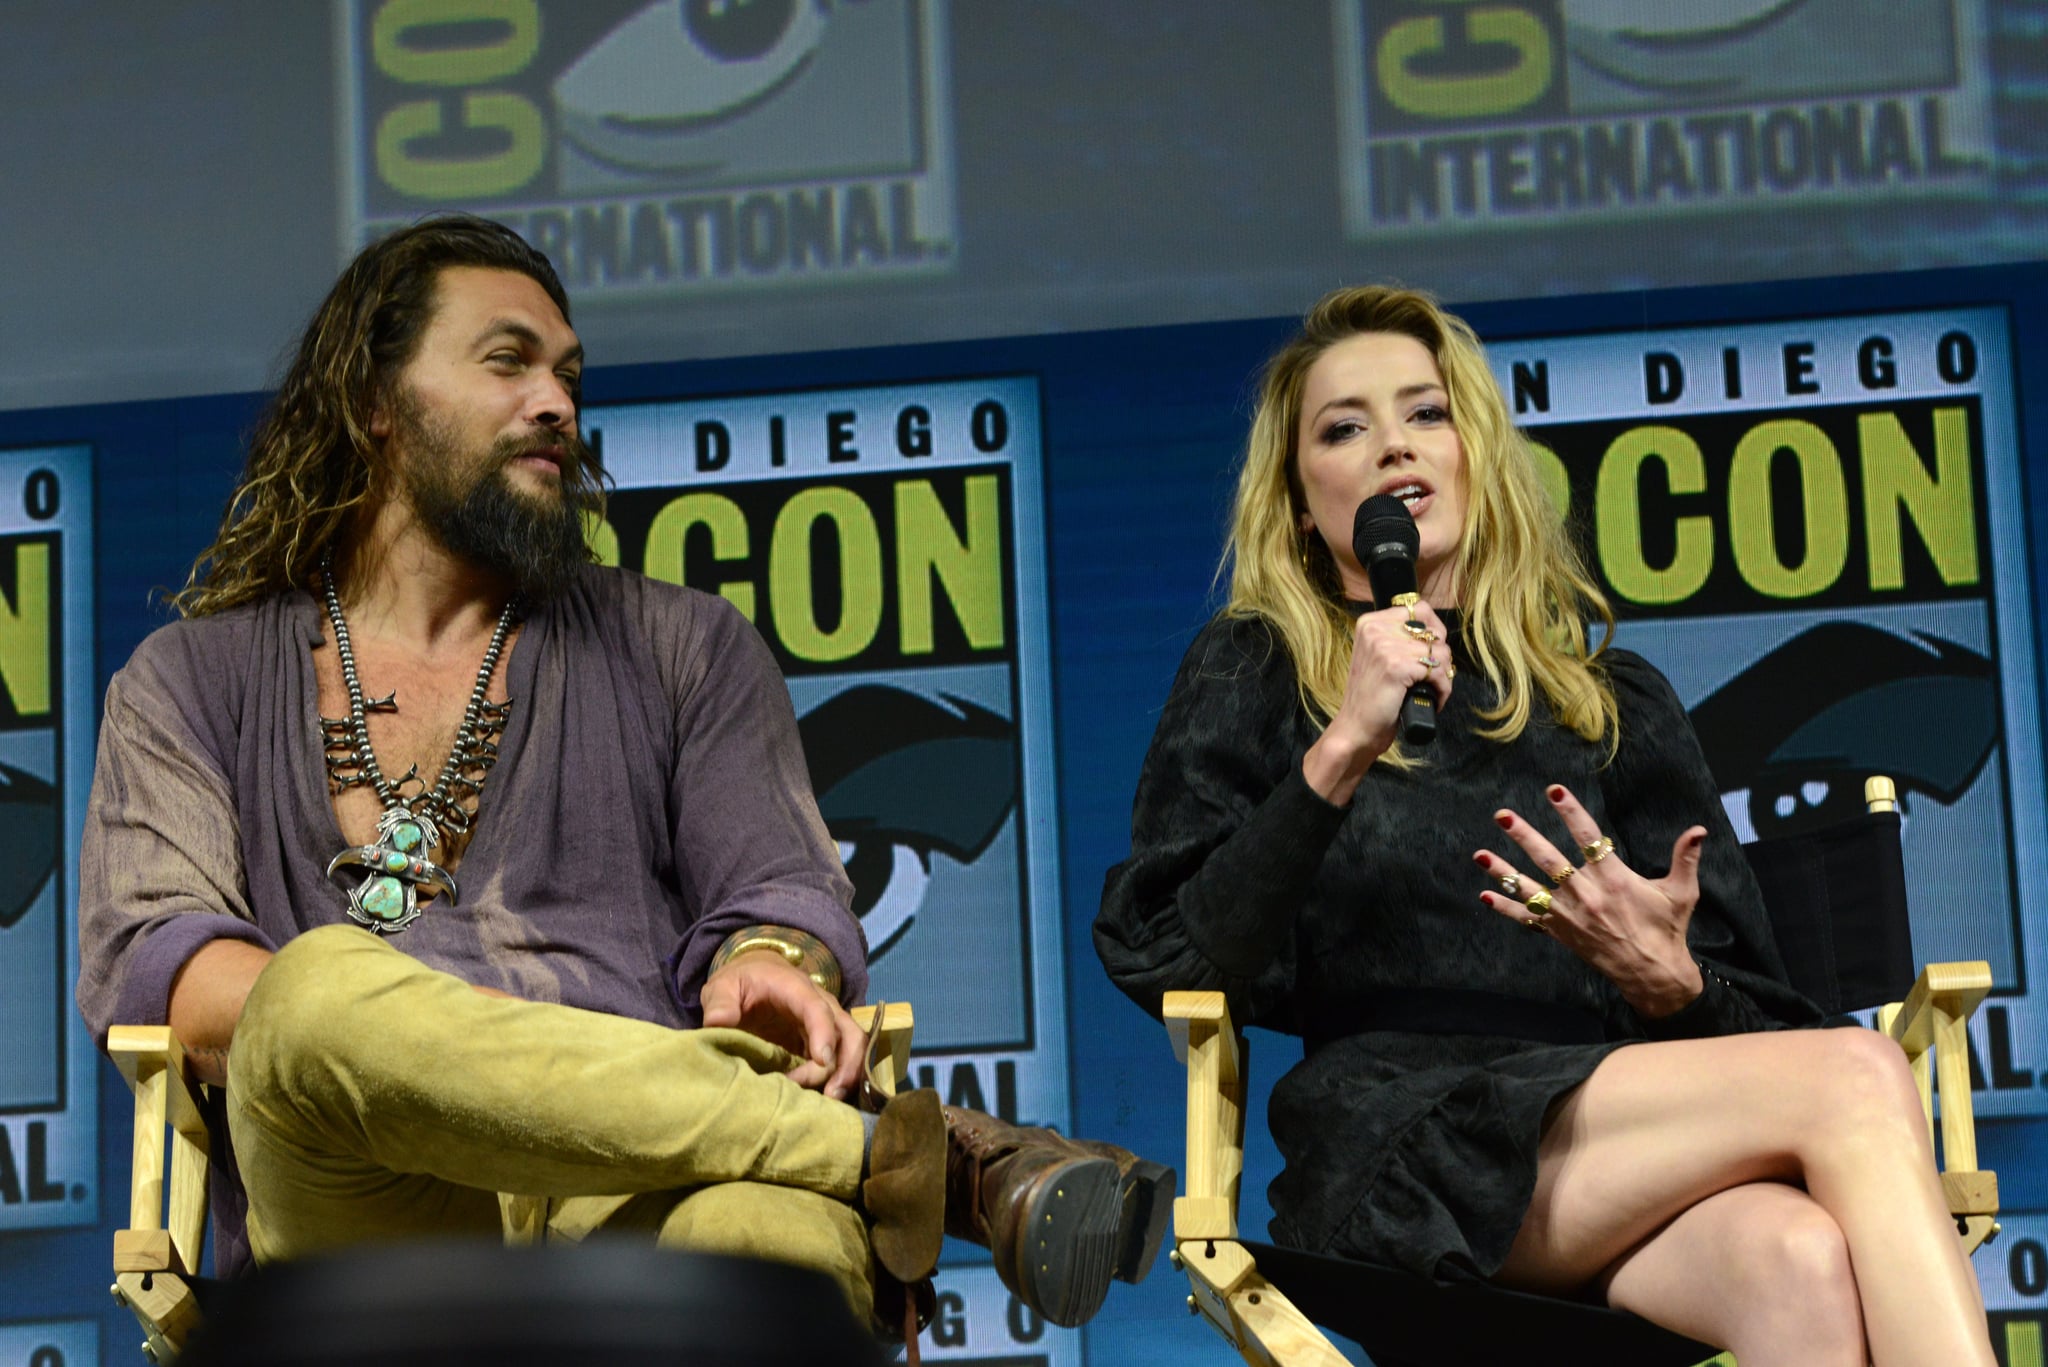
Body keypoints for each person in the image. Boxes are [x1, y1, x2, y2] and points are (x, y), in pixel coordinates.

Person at [75, 213, 1170, 1348]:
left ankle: (846, 1166)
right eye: (507, 361)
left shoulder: (683, 644)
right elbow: (187, 985)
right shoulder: (189, 677)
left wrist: (765, 960)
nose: (555, 400)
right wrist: (475, 1055)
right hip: (368, 1195)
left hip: (651, 1179)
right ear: (375, 405)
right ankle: (923, 1165)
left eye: (567, 374)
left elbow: (777, 894)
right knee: (304, 996)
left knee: (779, 1239)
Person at [1094, 286, 1996, 1366]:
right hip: (1400, 1151)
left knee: (1796, 1257)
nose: (1391, 447)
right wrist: (1337, 748)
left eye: (1424, 413)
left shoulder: (1612, 703)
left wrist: (1672, 979)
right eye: (1343, 427)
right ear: (1300, 504)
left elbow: (1767, 1019)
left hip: (1611, 1149)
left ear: (1475, 451)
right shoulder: (1254, 670)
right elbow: (1166, 950)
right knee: (1856, 1077)